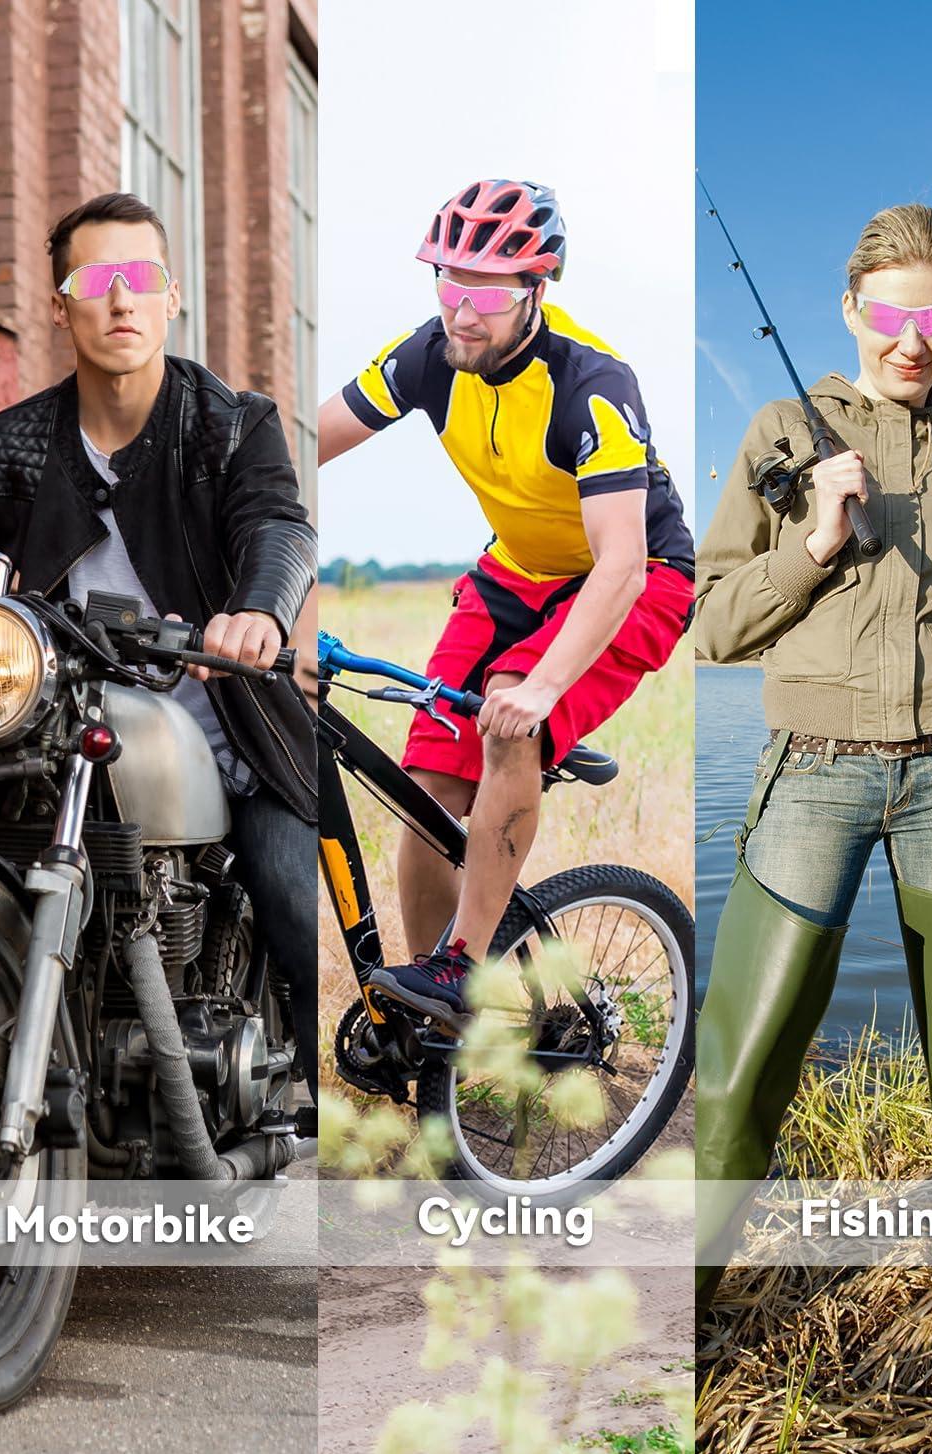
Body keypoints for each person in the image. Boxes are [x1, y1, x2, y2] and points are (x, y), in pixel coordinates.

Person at [696, 203, 932, 1388]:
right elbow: (711, 627)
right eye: (893, 314)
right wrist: (813, 539)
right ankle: (689, 1274)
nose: (914, 340)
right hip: (812, 777)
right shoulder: (779, 435)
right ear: (852, 310)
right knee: (748, 1054)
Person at [0, 191, 319, 1113]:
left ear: (171, 297)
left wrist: (258, 612)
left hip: (226, 731)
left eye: (140, 277)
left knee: (290, 886)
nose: (120, 299)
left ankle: (321, 1101)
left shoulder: (232, 425)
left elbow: (278, 523)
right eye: (95, 280)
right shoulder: (8, 450)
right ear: (59, 305)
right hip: (49, 737)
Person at [317, 179, 695, 1022]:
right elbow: (304, 440)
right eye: (449, 284)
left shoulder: (591, 382)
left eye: (487, 294)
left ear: (537, 290)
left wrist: (541, 690)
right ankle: (431, 1012)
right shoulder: (427, 356)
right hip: (516, 571)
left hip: (638, 577)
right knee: (423, 789)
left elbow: (622, 564)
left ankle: (464, 966)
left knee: (509, 719)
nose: (462, 311)